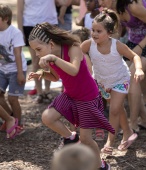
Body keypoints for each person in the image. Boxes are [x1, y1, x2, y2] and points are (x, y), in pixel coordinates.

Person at [28, 22, 115, 170]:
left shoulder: (73, 48)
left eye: (38, 49)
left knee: (86, 139)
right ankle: (71, 137)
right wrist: (41, 74)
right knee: (47, 117)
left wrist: (54, 59)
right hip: (70, 95)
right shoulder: (50, 57)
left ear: (50, 44)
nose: (37, 54)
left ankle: (101, 165)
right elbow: (56, 77)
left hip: (88, 96)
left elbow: (74, 70)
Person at [81, 8, 143, 154]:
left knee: (114, 110)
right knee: (118, 108)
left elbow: (135, 56)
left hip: (120, 80)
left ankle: (110, 141)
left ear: (109, 33)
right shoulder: (89, 44)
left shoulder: (117, 45)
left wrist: (139, 69)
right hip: (102, 82)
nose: (94, 34)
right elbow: (77, 52)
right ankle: (128, 132)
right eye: (93, 30)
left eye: (99, 31)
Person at [99, 0, 146, 132]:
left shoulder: (132, 6)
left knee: (132, 77)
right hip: (133, 42)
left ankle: (133, 124)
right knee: (122, 76)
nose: (100, 2)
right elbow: (120, 31)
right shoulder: (113, 9)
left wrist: (141, 46)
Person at [17, 0, 58, 103]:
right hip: (30, 24)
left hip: (50, 24)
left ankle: (47, 91)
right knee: (36, 61)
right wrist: (20, 31)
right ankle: (39, 93)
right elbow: (19, 10)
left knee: (49, 60)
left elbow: (60, 2)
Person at [0, 4, 27, 134]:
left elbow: (17, 54)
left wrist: (20, 73)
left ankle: (19, 124)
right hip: (2, 69)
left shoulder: (14, 33)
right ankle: (10, 118)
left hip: (16, 69)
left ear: (5, 19)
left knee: (12, 98)